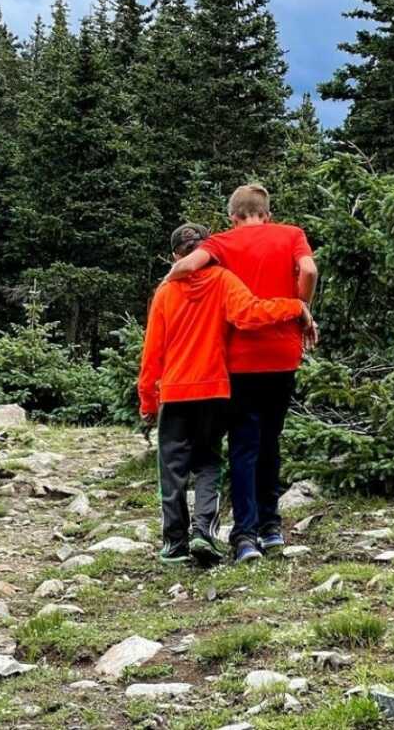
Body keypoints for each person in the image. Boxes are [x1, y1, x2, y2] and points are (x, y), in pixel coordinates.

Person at [138, 222, 312, 566]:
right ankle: (204, 531)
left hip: (174, 394)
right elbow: (250, 314)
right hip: (215, 389)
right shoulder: (222, 281)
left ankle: (174, 543)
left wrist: (148, 400)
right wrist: (294, 307)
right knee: (207, 464)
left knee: (172, 469)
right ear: (207, 250)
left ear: (176, 256)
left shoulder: (166, 292)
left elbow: (152, 353)